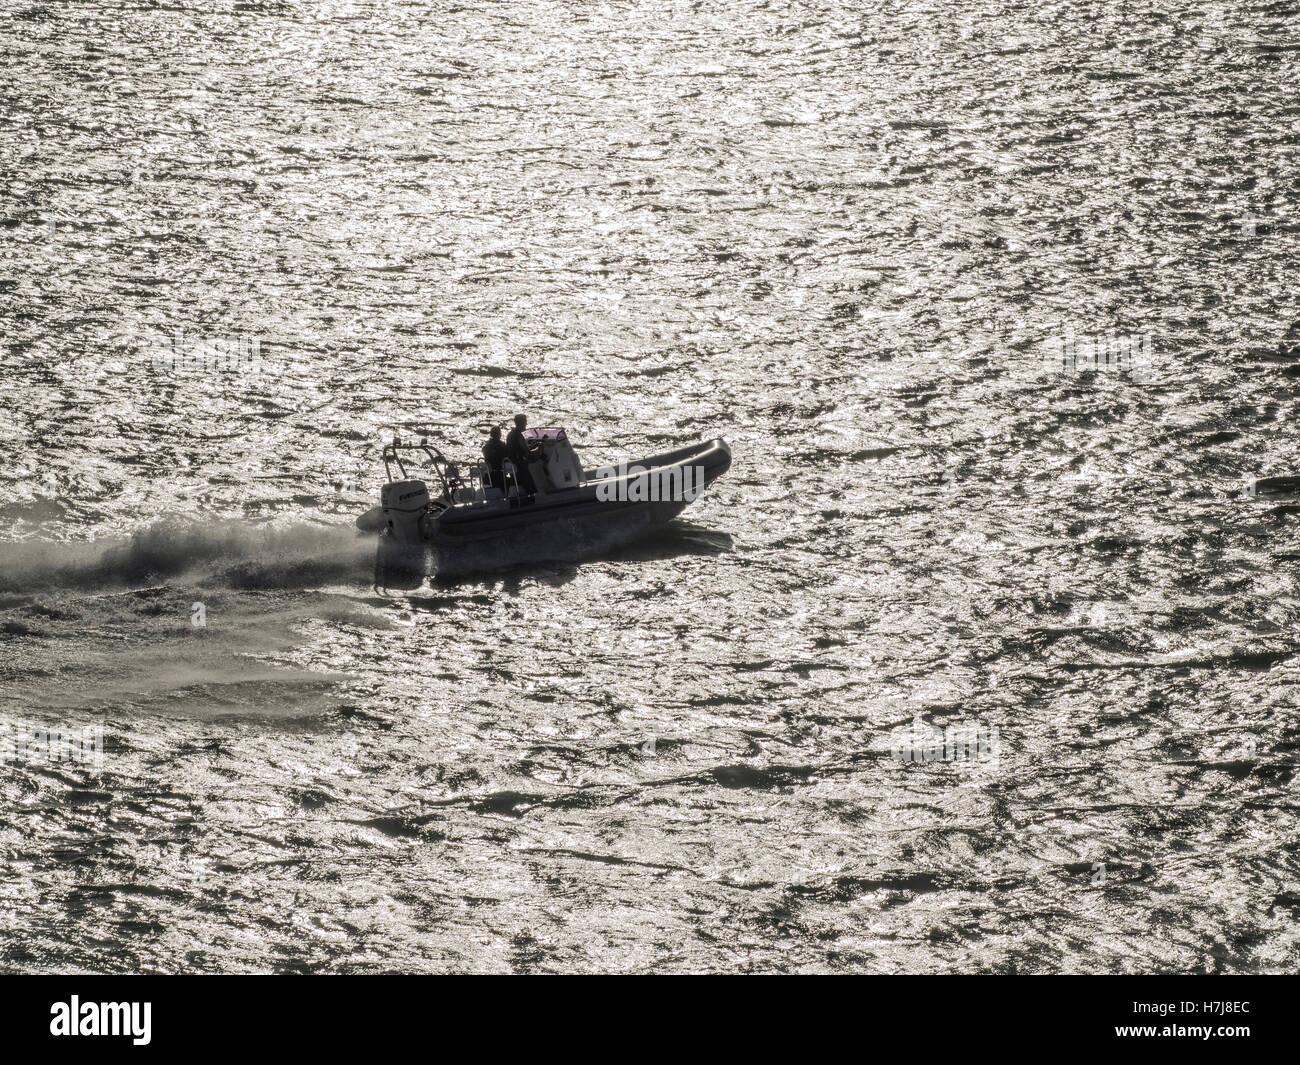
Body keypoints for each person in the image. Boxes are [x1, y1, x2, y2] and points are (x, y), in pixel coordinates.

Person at [505, 413, 542, 497]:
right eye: (525, 422)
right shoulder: (520, 434)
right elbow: (528, 452)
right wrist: (539, 448)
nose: (526, 423)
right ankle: (534, 495)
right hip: (520, 463)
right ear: (522, 422)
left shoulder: (510, 434)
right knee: (531, 482)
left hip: (513, 462)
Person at [481, 426, 508, 491]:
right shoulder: (502, 446)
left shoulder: (485, 447)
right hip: (499, 476)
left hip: (487, 476)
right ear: (499, 435)